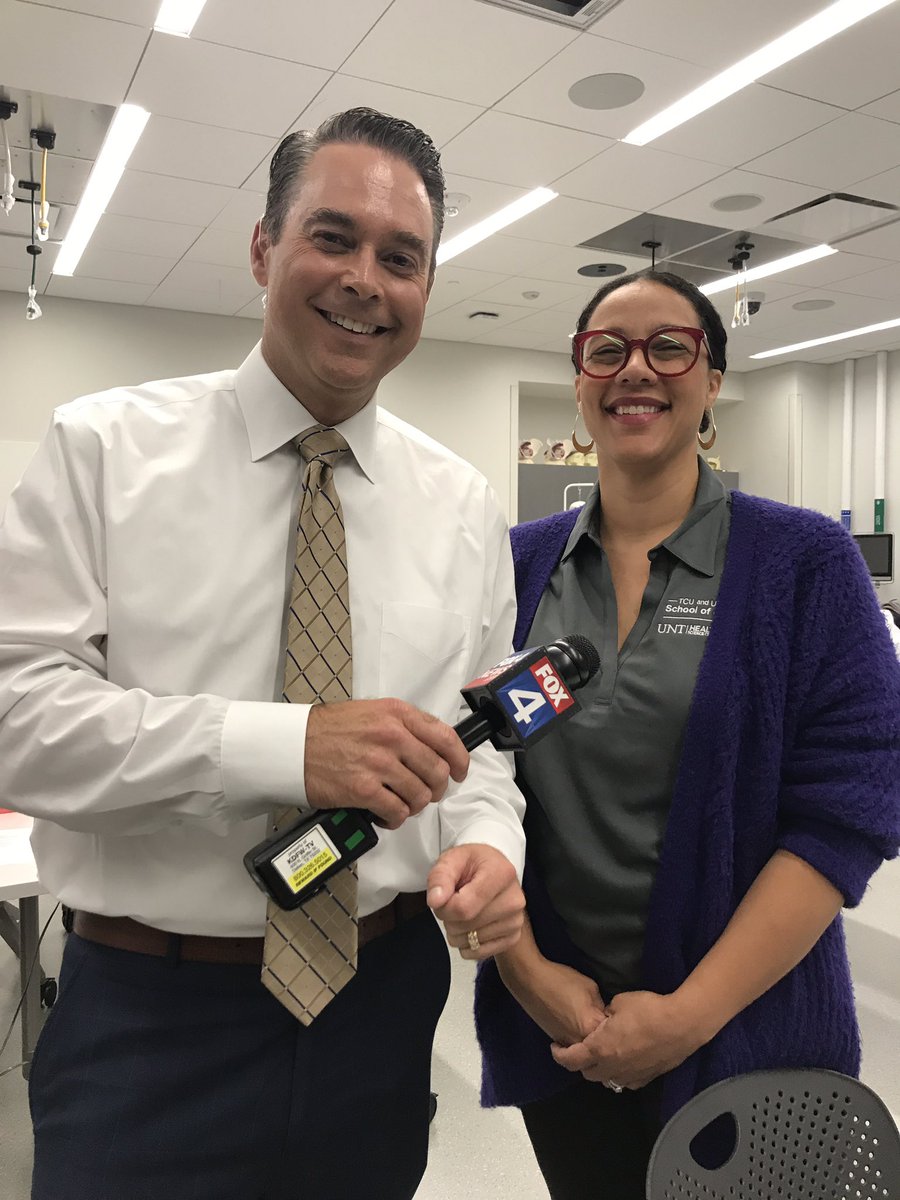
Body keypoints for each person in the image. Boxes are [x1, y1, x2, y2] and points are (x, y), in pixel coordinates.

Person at [0, 108, 527, 1200]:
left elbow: (479, 743)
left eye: (402, 258)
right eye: (333, 237)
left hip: (382, 1007)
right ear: (262, 248)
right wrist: (286, 748)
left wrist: (490, 844)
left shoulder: (465, 507)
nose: (365, 280)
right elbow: (15, 717)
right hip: (149, 1020)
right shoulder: (104, 451)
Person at [474, 268, 900, 1199]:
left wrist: (687, 1017)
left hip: (752, 1038)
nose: (637, 369)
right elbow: (471, 780)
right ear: (579, 382)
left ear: (712, 382)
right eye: (607, 350)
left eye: (670, 347)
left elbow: (850, 810)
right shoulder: (514, 565)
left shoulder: (804, 562)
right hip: (565, 1034)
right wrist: (529, 976)